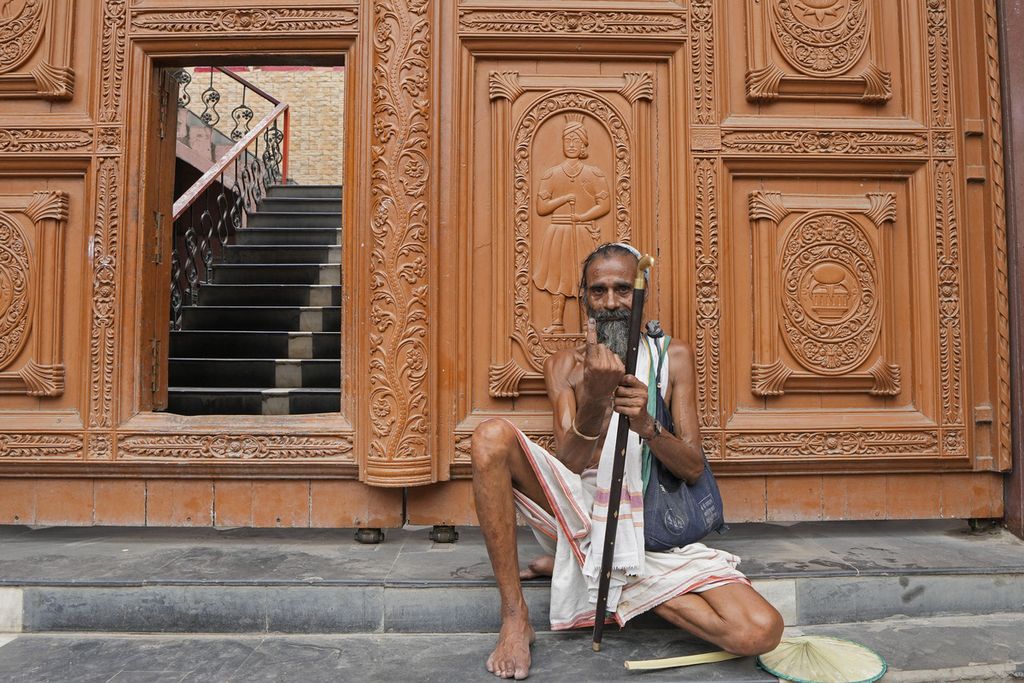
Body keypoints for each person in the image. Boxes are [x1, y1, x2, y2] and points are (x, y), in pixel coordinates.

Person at [471, 243, 783, 679]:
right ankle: (515, 616)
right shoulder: (564, 365)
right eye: (598, 291)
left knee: (759, 632)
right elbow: (568, 466)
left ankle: (591, 566)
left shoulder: (673, 358)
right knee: (489, 438)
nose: (612, 302)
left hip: (649, 527)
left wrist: (647, 425)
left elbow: (692, 466)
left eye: (623, 289)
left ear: (642, 295)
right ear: (584, 299)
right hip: (578, 508)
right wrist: (596, 400)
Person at [532, 115, 611, 333]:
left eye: (576, 140)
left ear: (584, 144)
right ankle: (557, 323)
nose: (572, 144)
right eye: (568, 140)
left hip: (583, 230)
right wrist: (564, 199)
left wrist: (583, 216)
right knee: (557, 276)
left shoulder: (593, 174)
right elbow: (542, 206)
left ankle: (588, 323)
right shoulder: (553, 174)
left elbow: (604, 204)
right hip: (558, 231)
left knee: (583, 276)